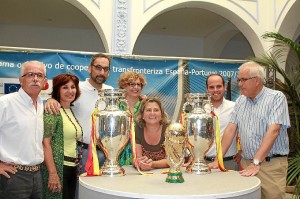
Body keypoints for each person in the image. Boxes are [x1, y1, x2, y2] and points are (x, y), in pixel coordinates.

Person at [209, 61, 290, 199]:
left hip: (270, 166)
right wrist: (219, 158)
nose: (239, 84)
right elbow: (230, 130)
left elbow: (274, 131)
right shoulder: (240, 101)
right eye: (239, 80)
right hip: (246, 164)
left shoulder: (276, 98)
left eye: (243, 80)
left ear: (257, 80)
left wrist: (256, 162)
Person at [44, 53, 113, 174]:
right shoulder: (77, 89)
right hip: (81, 151)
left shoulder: (111, 91)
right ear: (89, 68)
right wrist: (51, 100)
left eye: (105, 69)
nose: (101, 72)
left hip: (105, 152)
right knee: (78, 191)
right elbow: (59, 100)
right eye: (98, 67)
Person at [0, 61, 47, 199]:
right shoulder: (6, 103)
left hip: (37, 175)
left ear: (44, 81)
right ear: (21, 80)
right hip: (13, 176)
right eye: (30, 74)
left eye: (39, 75)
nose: (35, 79)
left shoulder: (40, 104)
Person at [42, 73, 82, 199]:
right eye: (65, 87)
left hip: (72, 169)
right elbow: (45, 143)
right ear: (57, 90)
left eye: (73, 87)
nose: (70, 91)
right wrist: (53, 173)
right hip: (59, 168)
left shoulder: (70, 110)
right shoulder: (52, 110)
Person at [205, 74, 241, 171]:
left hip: (230, 163)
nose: (215, 90)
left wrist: (242, 151)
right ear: (207, 89)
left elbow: (245, 130)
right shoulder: (200, 110)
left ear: (224, 87)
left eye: (219, 86)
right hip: (205, 164)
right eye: (211, 87)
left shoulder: (235, 107)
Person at [117, 71, 147, 166]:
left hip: (141, 149)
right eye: (132, 84)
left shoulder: (145, 104)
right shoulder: (117, 104)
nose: (136, 87)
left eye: (139, 84)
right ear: (124, 86)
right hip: (120, 148)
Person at [134, 97, 170, 171]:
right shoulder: (137, 129)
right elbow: (137, 158)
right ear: (142, 115)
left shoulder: (169, 130)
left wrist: (152, 164)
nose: (152, 113)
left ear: (161, 114)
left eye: (156, 110)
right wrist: (139, 163)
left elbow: (172, 160)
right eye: (148, 110)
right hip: (144, 176)